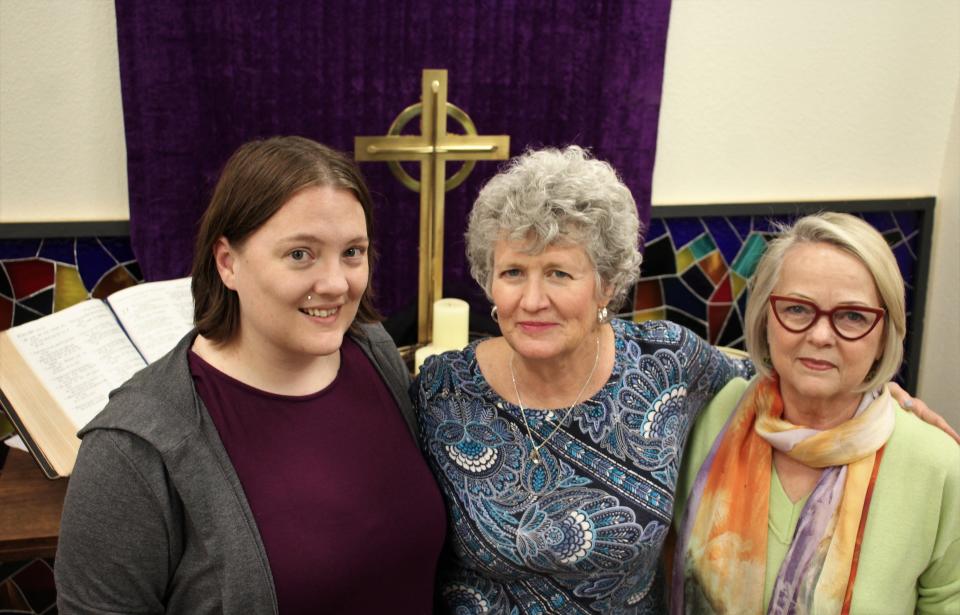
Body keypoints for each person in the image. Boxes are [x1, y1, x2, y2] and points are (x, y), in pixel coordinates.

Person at [55, 136, 446, 614]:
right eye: (300, 254)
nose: (336, 284)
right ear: (228, 263)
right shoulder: (131, 449)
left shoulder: (373, 349)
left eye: (353, 252)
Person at [415, 146, 755, 613]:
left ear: (608, 283)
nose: (532, 300)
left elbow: (769, 384)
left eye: (558, 273)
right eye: (513, 272)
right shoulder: (441, 388)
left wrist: (876, 396)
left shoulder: (666, 362)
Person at [671, 213, 959, 614]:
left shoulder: (937, 464)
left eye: (853, 316)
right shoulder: (709, 410)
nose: (820, 335)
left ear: (884, 334)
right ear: (765, 317)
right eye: (797, 309)